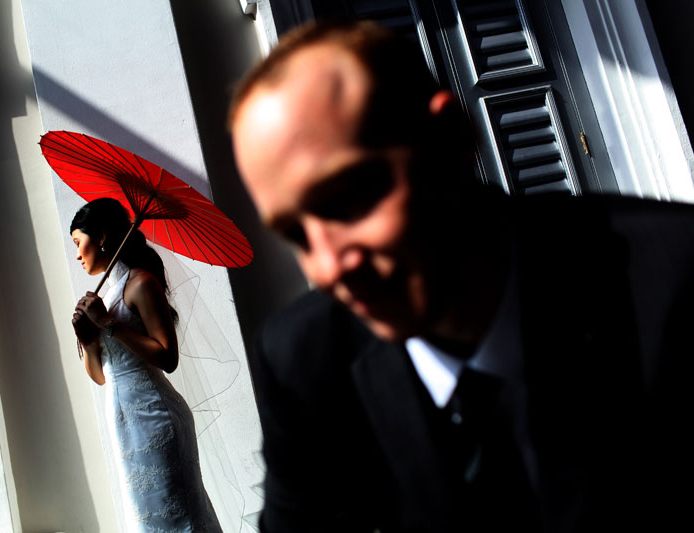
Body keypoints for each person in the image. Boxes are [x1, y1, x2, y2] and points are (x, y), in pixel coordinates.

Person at [229, 21, 693, 532]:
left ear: (451, 140)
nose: (331, 266)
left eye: (349, 199)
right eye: (295, 235)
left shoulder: (673, 276)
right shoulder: (305, 360)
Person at [70, 198, 221, 532]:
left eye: (79, 243)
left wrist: (108, 325)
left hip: (155, 417)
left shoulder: (141, 284)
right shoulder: (106, 296)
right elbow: (101, 378)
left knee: (175, 515)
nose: (78, 255)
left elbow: (168, 357)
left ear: (103, 237)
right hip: (124, 421)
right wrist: (89, 339)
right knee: (146, 518)